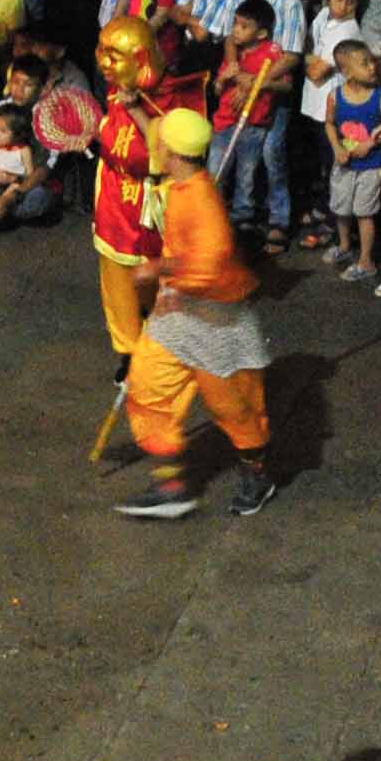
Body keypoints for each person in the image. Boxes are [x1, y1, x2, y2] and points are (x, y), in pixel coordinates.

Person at [119, 108, 274, 520]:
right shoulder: (182, 186)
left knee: (235, 409)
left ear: (168, 149)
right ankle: (171, 487)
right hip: (177, 313)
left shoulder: (203, 202)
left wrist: (160, 269)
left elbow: (210, 264)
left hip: (217, 320)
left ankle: (257, 476)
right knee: (149, 390)